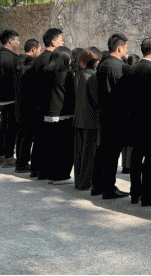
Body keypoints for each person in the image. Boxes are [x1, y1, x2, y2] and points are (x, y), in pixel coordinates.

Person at [123, 37, 151, 206]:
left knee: (136, 156)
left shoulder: (130, 70)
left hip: (134, 120)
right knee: (150, 159)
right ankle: (147, 194)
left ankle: (135, 192)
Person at [93, 33, 130, 199]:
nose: (127, 50)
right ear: (120, 48)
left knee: (104, 150)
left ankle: (98, 185)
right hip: (116, 115)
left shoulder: (103, 64)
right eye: (126, 47)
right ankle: (108, 187)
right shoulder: (117, 66)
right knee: (112, 152)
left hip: (105, 113)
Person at [29, 28, 64, 179]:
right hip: (48, 104)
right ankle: (43, 170)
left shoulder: (39, 58)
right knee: (48, 139)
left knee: (40, 138)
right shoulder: (51, 59)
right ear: (53, 42)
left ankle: (36, 169)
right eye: (61, 39)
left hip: (38, 103)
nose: (63, 42)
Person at [42, 46, 75, 184]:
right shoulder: (67, 74)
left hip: (48, 114)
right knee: (64, 147)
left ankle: (51, 174)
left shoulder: (46, 72)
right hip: (64, 113)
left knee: (51, 146)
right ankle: (61, 175)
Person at [73, 47, 102, 190]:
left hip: (79, 117)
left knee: (79, 152)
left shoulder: (78, 73)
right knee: (89, 153)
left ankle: (80, 181)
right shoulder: (92, 76)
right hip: (91, 119)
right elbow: (96, 100)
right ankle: (86, 182)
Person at [0, 29, 21, 167]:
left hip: (1, 97)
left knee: (3, 125)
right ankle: (9, 157)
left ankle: (0, 156)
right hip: (11, 97)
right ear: (10, 41)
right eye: (17, 40)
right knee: (11, 127)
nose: (19, 43)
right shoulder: (11, 58)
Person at [14, 38, 42, 173]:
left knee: (21, 133)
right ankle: (23, 163)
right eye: (39, 49)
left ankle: (20, 161)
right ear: (33, 48)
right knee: (28, 135)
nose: (40, 52)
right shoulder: (33, 64)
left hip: (19, 103)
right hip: (31, 105)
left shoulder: (17, 62)